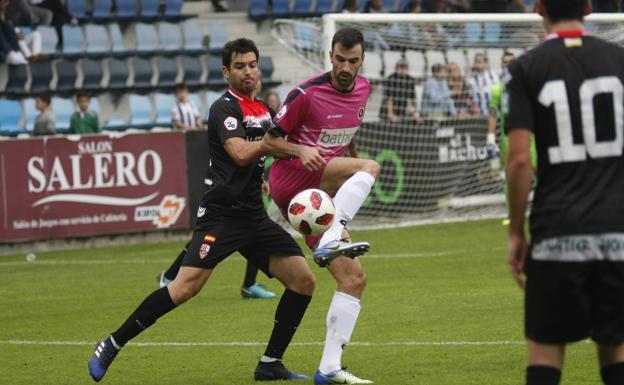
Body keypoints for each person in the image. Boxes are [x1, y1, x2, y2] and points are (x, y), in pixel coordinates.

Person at [88, 38, 319, 382]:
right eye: (240, 66)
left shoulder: (264, 111)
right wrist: (294, 150)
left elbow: (264, 152)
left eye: (253, 64)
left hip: (253, 216)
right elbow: (241, 153)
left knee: (303, 281)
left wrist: (273, 169)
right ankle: (112, 343)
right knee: (184, 288)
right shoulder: (223, 108)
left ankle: (270, 363)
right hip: (221, 215)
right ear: (226, 72)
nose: (248, 71)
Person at [506, 1, 624, 385]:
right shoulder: (618, 60)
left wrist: (516, 232)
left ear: (539, 9)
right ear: (589, 8)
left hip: (557, 230)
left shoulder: (527, 67)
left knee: (545, 348)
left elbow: (520, 160)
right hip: (616, 230)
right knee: (615, 346)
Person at [264, 28, 378, 385]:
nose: (345, 67)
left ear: (362, 60)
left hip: (320, 195)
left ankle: (329, 368)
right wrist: (300, 150)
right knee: (371, 168)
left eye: (353, 61)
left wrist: (353, 166)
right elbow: (269, 141)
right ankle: (332, 233)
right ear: (330, 55)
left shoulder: (364, 89)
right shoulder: (305, 94)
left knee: (353, 278)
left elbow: (347, 132)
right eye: (339, 59)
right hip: (293, 182)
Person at [380, 58, 421, 123]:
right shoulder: (391, 78)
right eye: (400, 67)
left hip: (402, 112)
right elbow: (389, 99)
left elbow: (413, 99)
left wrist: (415, 113)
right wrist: (391, 115)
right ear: (396, 67)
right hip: (387, 112)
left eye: (405, 67)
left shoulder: (410, 80)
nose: (402, 70)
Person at [468, 52, 498, 117]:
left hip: (495, 111)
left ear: (485, 62)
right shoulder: (472, 79)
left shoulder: (493, 75)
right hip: (481, 112)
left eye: (480, 61)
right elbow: (471, 96)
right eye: (476, 61)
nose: (478, 63)